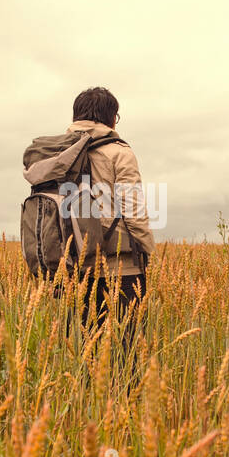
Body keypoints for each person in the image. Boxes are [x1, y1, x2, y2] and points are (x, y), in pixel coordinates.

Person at [64, 87, 155, 361]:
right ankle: (123, 402)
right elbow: (133, 210)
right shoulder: (119, 152)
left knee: (85, 354)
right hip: (120, 269)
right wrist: (146, 252)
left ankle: (87, 401)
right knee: (125, 354)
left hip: (73, 269)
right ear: (112, 118)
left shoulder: (57, 153)